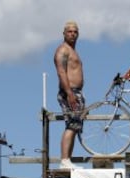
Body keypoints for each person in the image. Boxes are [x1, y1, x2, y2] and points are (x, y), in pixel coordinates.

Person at [54, 21, 84, 169]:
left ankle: (68, 160)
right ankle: (64, 160)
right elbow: (61, 72)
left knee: (76, 125)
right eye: (70, 31)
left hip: (76, 92)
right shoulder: (62, 50)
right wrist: (69, 93)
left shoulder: (73, 51)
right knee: (72, 125)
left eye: (75, 32)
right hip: (69, 92)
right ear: (64, 33)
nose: (73, 34)